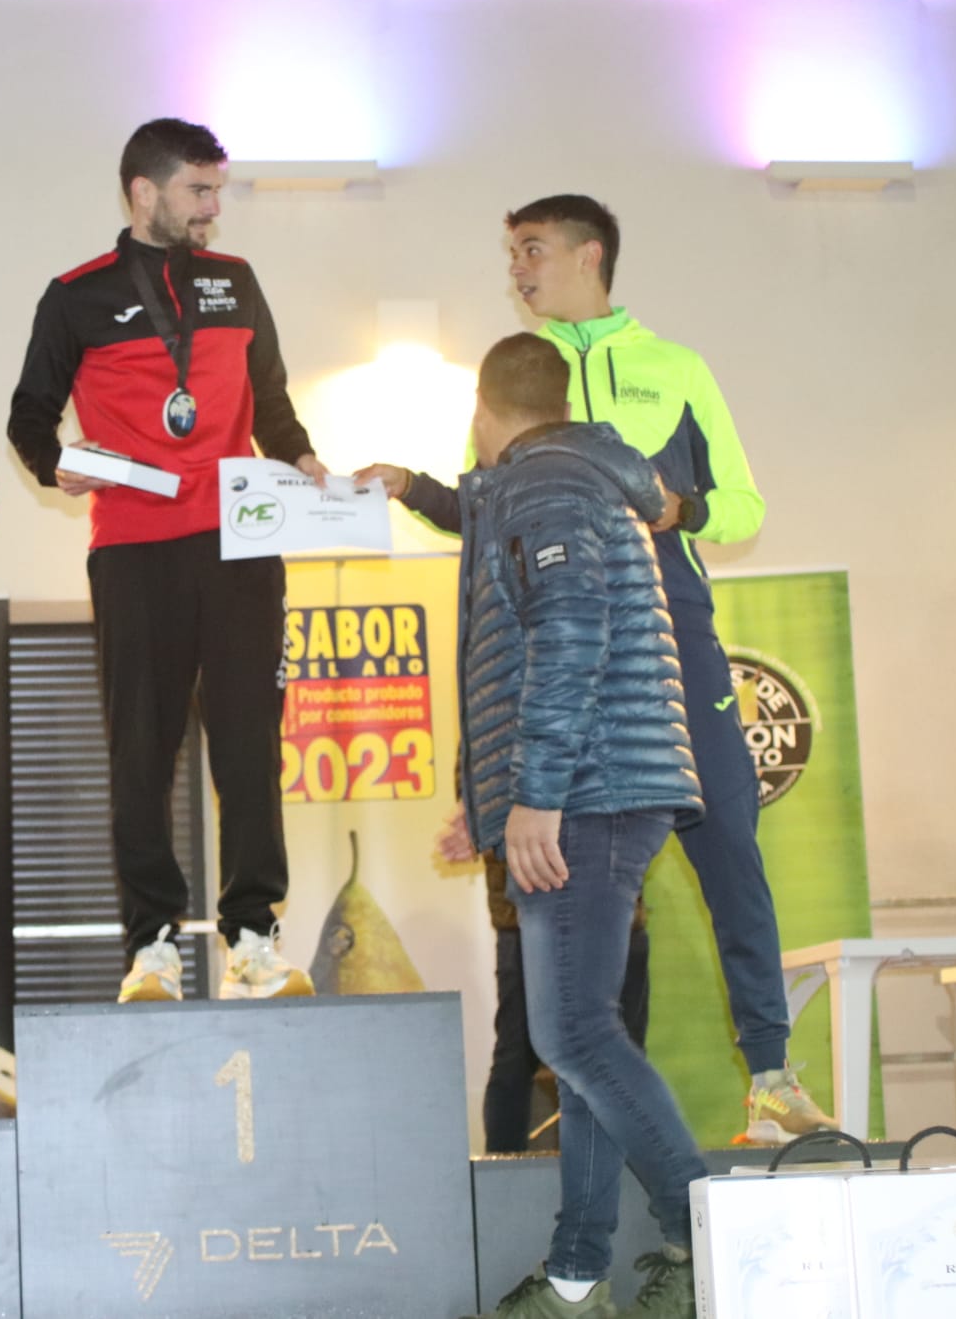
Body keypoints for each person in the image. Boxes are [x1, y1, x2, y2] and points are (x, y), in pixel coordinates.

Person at [371, 194, 834, 1145]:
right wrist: (409, 486)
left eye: (531, 249)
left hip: (673, 636)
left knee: (729, 846)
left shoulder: (677, 367)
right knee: (577, 892)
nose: (518, 268)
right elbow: (483, 507)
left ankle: (772, 1079)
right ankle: (590, 1133)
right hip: (556, 642)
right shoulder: (520, 374)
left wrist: (682, 507)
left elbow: (745, 505)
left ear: (590, 256)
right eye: (512, 253)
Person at [368, 335, 709, 1317]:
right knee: (581, 1035)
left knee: (572, 1033)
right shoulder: (557, 477)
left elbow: (567, 634)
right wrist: (409, 486)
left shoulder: (546, 485)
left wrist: (536, 794)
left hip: (589, 791)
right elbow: (493, 541)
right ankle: (576, 1274)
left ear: (483, 411)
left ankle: (708, 1236)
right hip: (600, 784)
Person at [8, 117, 321, 1004]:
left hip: (239, 543)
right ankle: (151, 944)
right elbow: (29, 416)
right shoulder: (76, 296)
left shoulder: (236, 281)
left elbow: (272, 403)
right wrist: (55, 462)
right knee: (141, 752)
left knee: (250, 744)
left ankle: (253, 935)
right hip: (134, 549)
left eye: (217, 190)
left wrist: (306, 466)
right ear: (144, 192)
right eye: (199, 190)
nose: (214, 207)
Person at [481, 853, 651, 1155]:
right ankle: (504, 1173)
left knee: (625, 1053)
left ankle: (626, 1165)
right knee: (516, 1055)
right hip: (530, 915)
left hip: (611, 911)